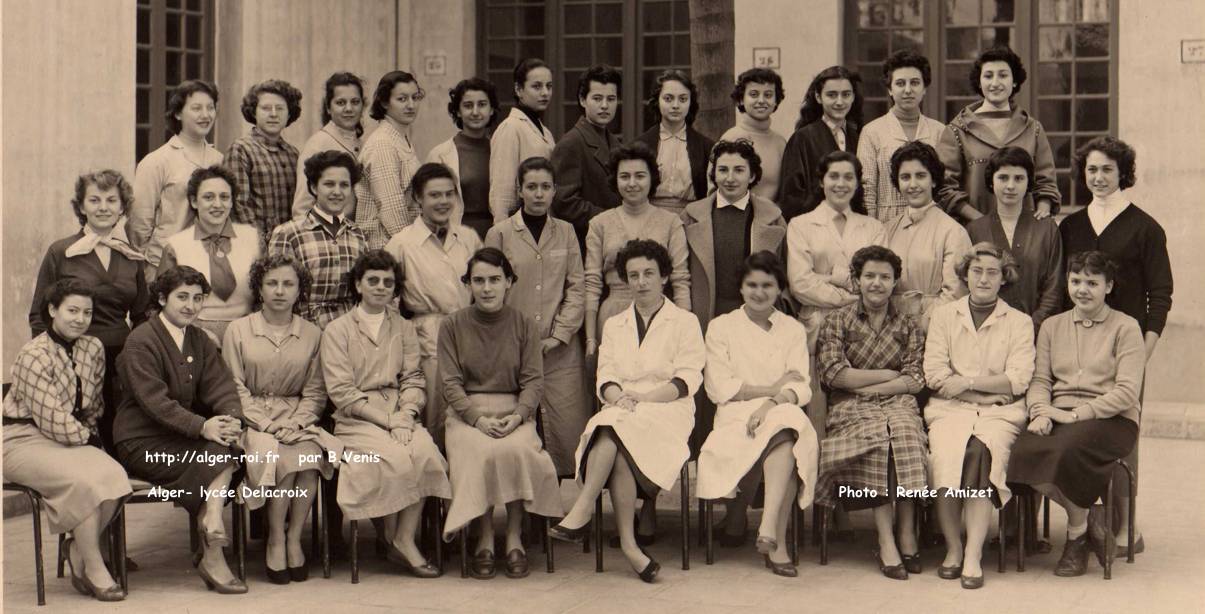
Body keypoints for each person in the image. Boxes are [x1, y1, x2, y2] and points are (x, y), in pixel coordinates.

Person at [549, 239, 706, 584]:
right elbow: (605, 375)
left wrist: (644, 398)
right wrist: (619, 396)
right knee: (613, 432)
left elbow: (688, 377)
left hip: (668, 409)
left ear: (664, 276)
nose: (641, 281)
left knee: (612, 428)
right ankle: (632, 548)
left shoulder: (685, 321)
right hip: (623, 409)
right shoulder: (615, 323)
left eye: (649, 273)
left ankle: (583, 507)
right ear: (625, 280)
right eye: (633, 275)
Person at [1059, 136, 1172, 553]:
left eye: (1107, 169)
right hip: (1077, 348)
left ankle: (1126, 528)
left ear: (1122, 172)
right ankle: (1091, 524)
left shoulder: (1145, 227)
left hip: (1127, 348)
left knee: (1122, 435)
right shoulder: (1070, 227)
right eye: (1091, 169)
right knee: (1081, 430)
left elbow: (1160, 295)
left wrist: (1143, 352)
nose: (1099, 177)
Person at [1008, 251, 1144, 577]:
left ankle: (1074, 542)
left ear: (1108, 286)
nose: (1082, 289)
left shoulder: (1126, 328)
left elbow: (1126, 392)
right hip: (1058, 412)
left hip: (1112, 419)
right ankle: (1086, 523)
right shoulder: (1053, 327)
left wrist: (1074, 414)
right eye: (1076, 281)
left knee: (1064, 451)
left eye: (1092, 283)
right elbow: (1040, 380)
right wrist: (1039, 412)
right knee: (1020, 451)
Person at [113, 265, 247, 594]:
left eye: (197, 298)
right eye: (182, 297)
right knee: (217, 458)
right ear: (162, 298)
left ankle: (212, 522)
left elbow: (223, 387)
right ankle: (213, 552)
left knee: (228, 448)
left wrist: (230, 420)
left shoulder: (199, 339)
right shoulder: (140, 341)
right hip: (142, 442)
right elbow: (154, 402)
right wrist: (203, 426)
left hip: (181, 437)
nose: (190, 305)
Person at [680, 139, 788, 542]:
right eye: (722, 170)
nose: (729, 178)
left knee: (750, 412)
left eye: (738, 170)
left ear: (753, 175)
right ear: (713, 173)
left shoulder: (772, 216)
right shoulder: (691, 216)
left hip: (753, 319)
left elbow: (783, 275)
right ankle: (719, 505)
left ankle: (741, 510)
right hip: (707, 318)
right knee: (713, 414)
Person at [320, 250, 450, 578]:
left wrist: (406, 413)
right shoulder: (337, 331)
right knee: (394, 456)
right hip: (357, 420)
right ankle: (390, 536)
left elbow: (413, 377)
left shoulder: (404, 328)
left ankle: (403, 537)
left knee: (425, 453)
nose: (381, 287)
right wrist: (388, 422)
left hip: (399, 412)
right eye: (373, 281)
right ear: (358, 285)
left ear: (395, 289)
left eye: (388, 282)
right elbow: (342, 392)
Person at [439, 248, 563, 579]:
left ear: (509, 281)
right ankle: (484, 537)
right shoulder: (452, 325)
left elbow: (534, 381)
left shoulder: (523, 325)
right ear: (468, 284)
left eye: (495, 279)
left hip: (513, 411)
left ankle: (513, 535)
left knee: (517, 450)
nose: (487, 288)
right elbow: (450, 384)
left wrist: (520, 415)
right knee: (479, 452)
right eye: (478, 281)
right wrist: (476, 419)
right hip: (468, 413)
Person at [5, 280, 132, 602]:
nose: (80, 318)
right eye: (72, 310)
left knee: (115, 475)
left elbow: (93, 408)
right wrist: (88, 442)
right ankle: (91, 566)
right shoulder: (33, 354)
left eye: (87, 312)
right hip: (23, 440)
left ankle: (76, 545)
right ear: (52, 310)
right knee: (85, 480)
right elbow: (51, 420)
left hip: (70, 439)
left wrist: (94, 443)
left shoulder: (93, 348)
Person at [696, 252, 818, 577]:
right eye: (752, 285)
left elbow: (801, 385)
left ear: (780, 289)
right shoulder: (721, 327)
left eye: (768, 285)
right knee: (786, 439)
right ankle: (774, 539)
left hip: (780, 409)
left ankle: (767, 528)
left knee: (786, 425)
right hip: (735, 416)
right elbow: (720, 387)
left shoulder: (791, 328)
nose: (759, 292)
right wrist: (774, 388)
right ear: (741, 287)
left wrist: (772, 401)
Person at [922, 243, 1036, 589]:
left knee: (981, 452)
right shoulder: (944, 316)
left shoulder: (1019, 321)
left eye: (992, 272)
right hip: (949, 409)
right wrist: (976, 390)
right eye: (976, 271)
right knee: (946, 454)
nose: (983, 279)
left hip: (1001, 413)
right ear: (965, 276)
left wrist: (966, 383)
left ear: (1004, 279)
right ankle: (953, 549)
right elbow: (935, 375)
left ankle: (973, 553)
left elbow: (1018, 378)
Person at [222, 255, 340, 584]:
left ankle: (294, 538)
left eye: (288, 284)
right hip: (254, 420)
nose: (279, 291)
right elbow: (234, 386)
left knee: (309, 456)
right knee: (283, 458)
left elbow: (316, 391)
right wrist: (267, 424)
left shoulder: (313, 334)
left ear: (299, 290)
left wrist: (298, 422)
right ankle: (276, 537)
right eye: (272, 283)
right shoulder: (239, 330)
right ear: (259, 288)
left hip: (296, 417)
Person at [814, 245, 927, 580]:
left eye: (885, 277)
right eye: (869, 276)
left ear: (895, 282)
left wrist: (867, 384)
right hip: (850, 407)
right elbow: (834, 374)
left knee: (905, 435)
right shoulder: (836, 320)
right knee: (878, 439)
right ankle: (886, 538)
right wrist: (887, 376)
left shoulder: (908, 324)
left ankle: (906, 530)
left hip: (897, 403)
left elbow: (916, 378)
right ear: (856, 280)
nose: (877, 283)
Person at [30, 170, 149, 452]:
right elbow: (39, 314)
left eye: (111, 200)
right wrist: (53, 359)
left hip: (120, 361)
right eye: (94, 200)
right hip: (73, 358)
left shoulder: (131, 255)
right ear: (81, 207)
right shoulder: (61, 252)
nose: (103, 208)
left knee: (121, 433)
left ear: (122, 207)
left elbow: (142, 314)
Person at [484, 157, 589, 477]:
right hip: (513, 348)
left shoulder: (567, 232)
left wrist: (559, 335)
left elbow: (577, 286)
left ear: (555, 190)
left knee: (565, 429)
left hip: (560, 350)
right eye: (531, 187)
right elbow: (490, 291)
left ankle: (554, 509)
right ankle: (526, 516)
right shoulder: (500, 233)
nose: (539, 194)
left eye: (545, 187)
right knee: (520, 429)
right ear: (519, 190)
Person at [384, 163, 483, 441]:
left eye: (449, 194)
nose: (443, 202)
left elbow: (485, 283)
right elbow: (388, 302)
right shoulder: (401, 244)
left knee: (468, 414)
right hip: (426, 338)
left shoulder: (468, 238)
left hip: (469, 332)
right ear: (418, 198)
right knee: (434, 415)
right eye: (434, 195)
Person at [584, 143, 690, 358]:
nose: (632, 183)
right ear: (615, 180)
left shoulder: (671, 223)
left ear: (652, 178)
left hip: (660, 314)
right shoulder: (599, 224)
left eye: (640, 176)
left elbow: (680, 280)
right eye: (624, 176)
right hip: (613, 312)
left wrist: (684, 328)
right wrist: (590, 338)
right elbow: (592, 283)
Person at [936, 46, 1060, 223]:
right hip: (973, 231)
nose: (995, 83)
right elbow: (944, 188)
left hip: (1024, 231)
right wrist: (981, 222)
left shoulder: (1033, 129)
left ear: (1014, 81)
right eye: (988, 76)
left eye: (1003, 75)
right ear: (979, 82)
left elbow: (1046, 182)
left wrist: (1042, 212)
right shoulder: (957, 130)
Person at [787, 151, 883, 352]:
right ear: (822, 181)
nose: (841, 184)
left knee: (861, 381)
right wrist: (852, 299)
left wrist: (829, 277)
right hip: (817, 322)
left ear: (857, 183)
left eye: (848, 177)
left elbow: (878, 279)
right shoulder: (800, 225)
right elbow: (801, 284)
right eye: (833, 176)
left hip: (864, 324)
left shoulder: (874, 228)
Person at [130, 79, 223, 275]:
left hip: (207, 262)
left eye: (210, 108)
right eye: (197, 108)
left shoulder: (219, 159)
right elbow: (139, 224)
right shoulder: (157, 161)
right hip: (164, 264)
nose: (205, 115)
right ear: (178, 113)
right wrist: (145, 269)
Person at [875, 141, 971, 330]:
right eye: (905, 177)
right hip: (887, 330)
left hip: (934, 328)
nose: (912, 185)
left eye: (920, 176)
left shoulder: (953, 232)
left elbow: (955, 292)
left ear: (933, 180)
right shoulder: (886, 230)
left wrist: (920, 327)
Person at [158, 165, 261, 341]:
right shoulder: (176, 245)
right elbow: (161, 304)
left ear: (231, 202)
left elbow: (264, 293)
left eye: (224, 197)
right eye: (208, 197)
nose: (217, 204)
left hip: (248, 332)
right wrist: (193, 333)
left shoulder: (253, 238)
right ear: (194, 201)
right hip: (193, 333)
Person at [270, 150, 369, 330]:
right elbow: (278, 293)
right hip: (305, 331)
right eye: (329, 184)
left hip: (351, 332)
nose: (337, 192)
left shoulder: (358, 234)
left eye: (344, 185)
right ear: (314, 187)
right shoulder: (288, 233)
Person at [967, 147, 1063, 331]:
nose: (1010, 186)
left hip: (1038, 332)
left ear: (1029, 183)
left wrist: (1031, 327)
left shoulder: (1046, 228)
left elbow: (1054, 288)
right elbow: (970, 285)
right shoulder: (975, 230)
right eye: (1003, 178)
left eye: (1019, 178)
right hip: (987, 333)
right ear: (991, 181)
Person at [858, 51, 946, 223]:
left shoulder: (939, 131)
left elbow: (945, 187)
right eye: (900, 83)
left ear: (924, 88)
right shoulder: (872, 132)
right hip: (885, 222)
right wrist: (871, 231)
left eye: (914, 83)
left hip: (931, 222)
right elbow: (866, 189)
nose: (908, 90)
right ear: (890, 89)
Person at [551, 64, 623, 246]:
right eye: (597, 98)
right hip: (586, 243)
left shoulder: (615, 142)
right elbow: (564, 202)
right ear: (583, 100)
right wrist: (612, 219)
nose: (605, 106)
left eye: (611, 99)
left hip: (613, 239)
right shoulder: (571, 143)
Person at [779, 66, 863, 220]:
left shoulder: (859, 137)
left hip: (854, 227)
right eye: (831, 95)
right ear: (818, 97)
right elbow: (791, 197)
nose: (839, 102)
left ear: (853, 97)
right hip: (814, 229)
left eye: (846, 94)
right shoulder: (802, 138)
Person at [225, 79, 302, 246]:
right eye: (266, 108)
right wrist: (260, 244)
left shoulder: (293, 154)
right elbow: (239, 205)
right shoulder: (241, 149)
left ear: (289, 114)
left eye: (280, 108)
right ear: (254, 112)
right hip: (253, 245)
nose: (273, 114)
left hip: (290, 244)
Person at [356, 70, 425, 249]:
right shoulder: (383, 144)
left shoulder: (399, 138)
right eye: (402, 99)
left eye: (415, 98)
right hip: (384, 247)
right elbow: (391, 209)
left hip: (399, 243)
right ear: (385, 102)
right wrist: (414, 250)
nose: (411, 105)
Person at [635, 69, 715, 217]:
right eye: (668, 98)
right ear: (657, 101)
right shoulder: (640, 145)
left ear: (691, 103)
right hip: (648, 216)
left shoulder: (706, 147)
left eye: (683, 99)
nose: (676, 105)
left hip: (691, 218)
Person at [427, 77, 499, 239]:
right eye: (468, 106)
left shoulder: (500, 150)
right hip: (455, 236)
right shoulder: (440, 154)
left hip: (496, 236)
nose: (475, 112)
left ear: (492, 109)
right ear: (458, 111)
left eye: (482, 105)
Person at [291, 72, 365, 221]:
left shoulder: (361, 142)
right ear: (328, 108)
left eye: (355, 102)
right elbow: (301, 208)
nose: (349, 109)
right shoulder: (318, 144)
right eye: (341, 103)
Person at [490, 58, 556, 224]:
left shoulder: (545, 132)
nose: (545, 93)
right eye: (537, 86)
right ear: (519, 90)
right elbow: (501, 193)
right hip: (518, 226)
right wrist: (502, 235)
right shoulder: (510, 128)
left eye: (549, 86)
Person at [719, 68, 788, 201]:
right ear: (741, 100)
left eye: (768, 95)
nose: (761, 100)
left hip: (773, 219)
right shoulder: (732, 138)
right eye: (754, 94)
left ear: (776, 101)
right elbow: (716, 191)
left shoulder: (780, 142)